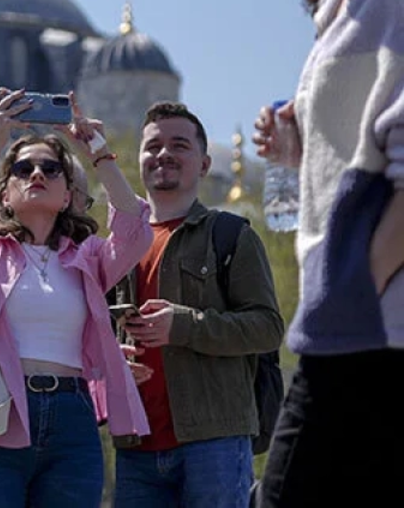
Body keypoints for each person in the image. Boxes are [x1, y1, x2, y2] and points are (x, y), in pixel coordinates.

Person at [253, 0, 404, 506]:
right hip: (353, 318)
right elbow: (361, 143)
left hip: (371, 323)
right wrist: (296, 146)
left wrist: (353, 289)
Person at [0, 87, 152, 507]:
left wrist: (99, 152)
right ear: (5, 194)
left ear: (69, 195)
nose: (37, 174)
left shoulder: (88, 257)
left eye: (52, 168)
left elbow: (135, 229)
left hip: (72, 418)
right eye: (22, 168)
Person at [111, 102, 283, 507]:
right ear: (138, 160)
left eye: (179, 145)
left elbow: (267, 327)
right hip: (135, 444)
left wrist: (183, 326)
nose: (164, 154)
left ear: (204, 164)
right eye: (153, 146)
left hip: (215, 442)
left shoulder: (230, 234)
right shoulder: (120, 246)